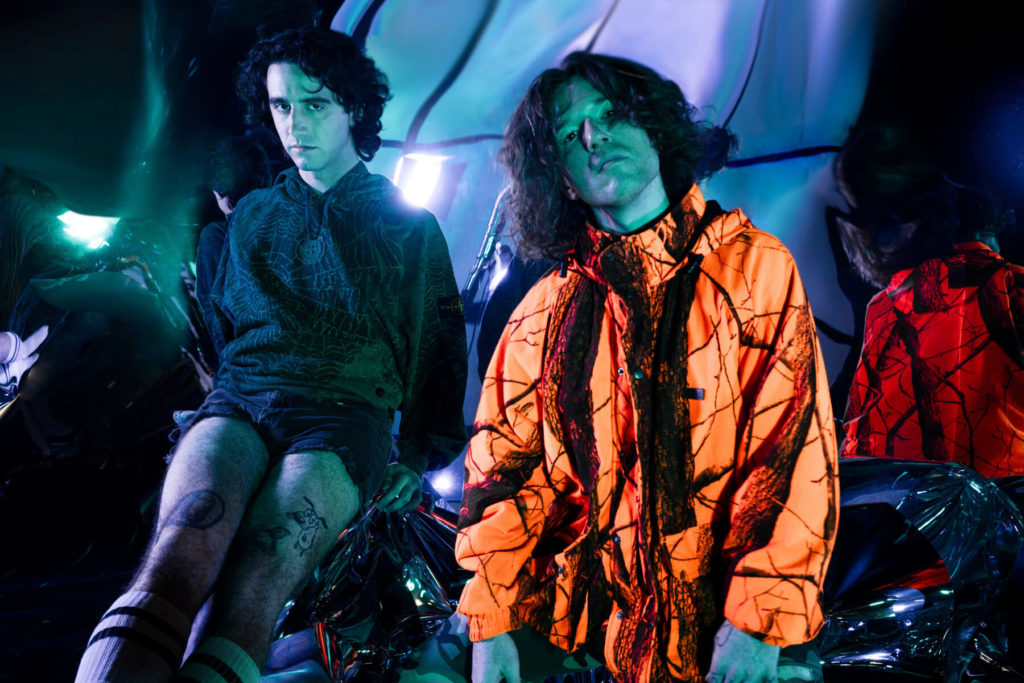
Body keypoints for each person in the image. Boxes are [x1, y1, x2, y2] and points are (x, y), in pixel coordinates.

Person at [417, 53, 838, 683]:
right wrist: (492, 625)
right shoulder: (543, 312)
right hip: (589, 631)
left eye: (611, 113)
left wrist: (758, 621)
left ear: (655, 129)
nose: (594, 137)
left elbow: (792, 453)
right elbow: (501, 476)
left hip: (727, 629)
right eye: (569, 134)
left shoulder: (754, 269)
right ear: (561, 179)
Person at [75, 26, 468, 683]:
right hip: (244, 397)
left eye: (314, 104)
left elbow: (441, 346)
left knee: (259, 575)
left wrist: (421, 451)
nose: (294, 124)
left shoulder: (409, 227)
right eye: (281, 105)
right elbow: (227, 329)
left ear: (353, 107)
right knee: (178, 552)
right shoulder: (251, 216)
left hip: (343, 414)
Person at [835, 124, 1024, 477]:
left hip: (895, 505)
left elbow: (861, 440)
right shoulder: (1010, 286)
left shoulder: (885, 306)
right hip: (996, 506)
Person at [195, 134, 275, 367]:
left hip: (253, 374)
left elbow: (217, 316)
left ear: (219, 191)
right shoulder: (289, 226)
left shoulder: (216, 238)